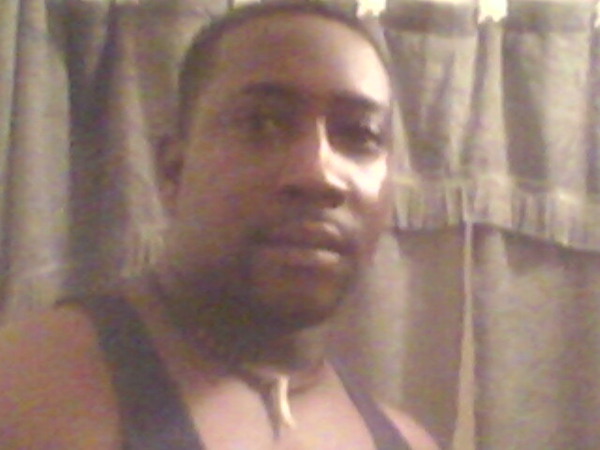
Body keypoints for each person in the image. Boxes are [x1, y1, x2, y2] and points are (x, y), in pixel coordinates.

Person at [0, 2, 439, 449]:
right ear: (173, 171)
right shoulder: (20, 392)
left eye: (360, 134)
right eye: (262, 123)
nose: (317, 174)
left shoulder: (410, 441)